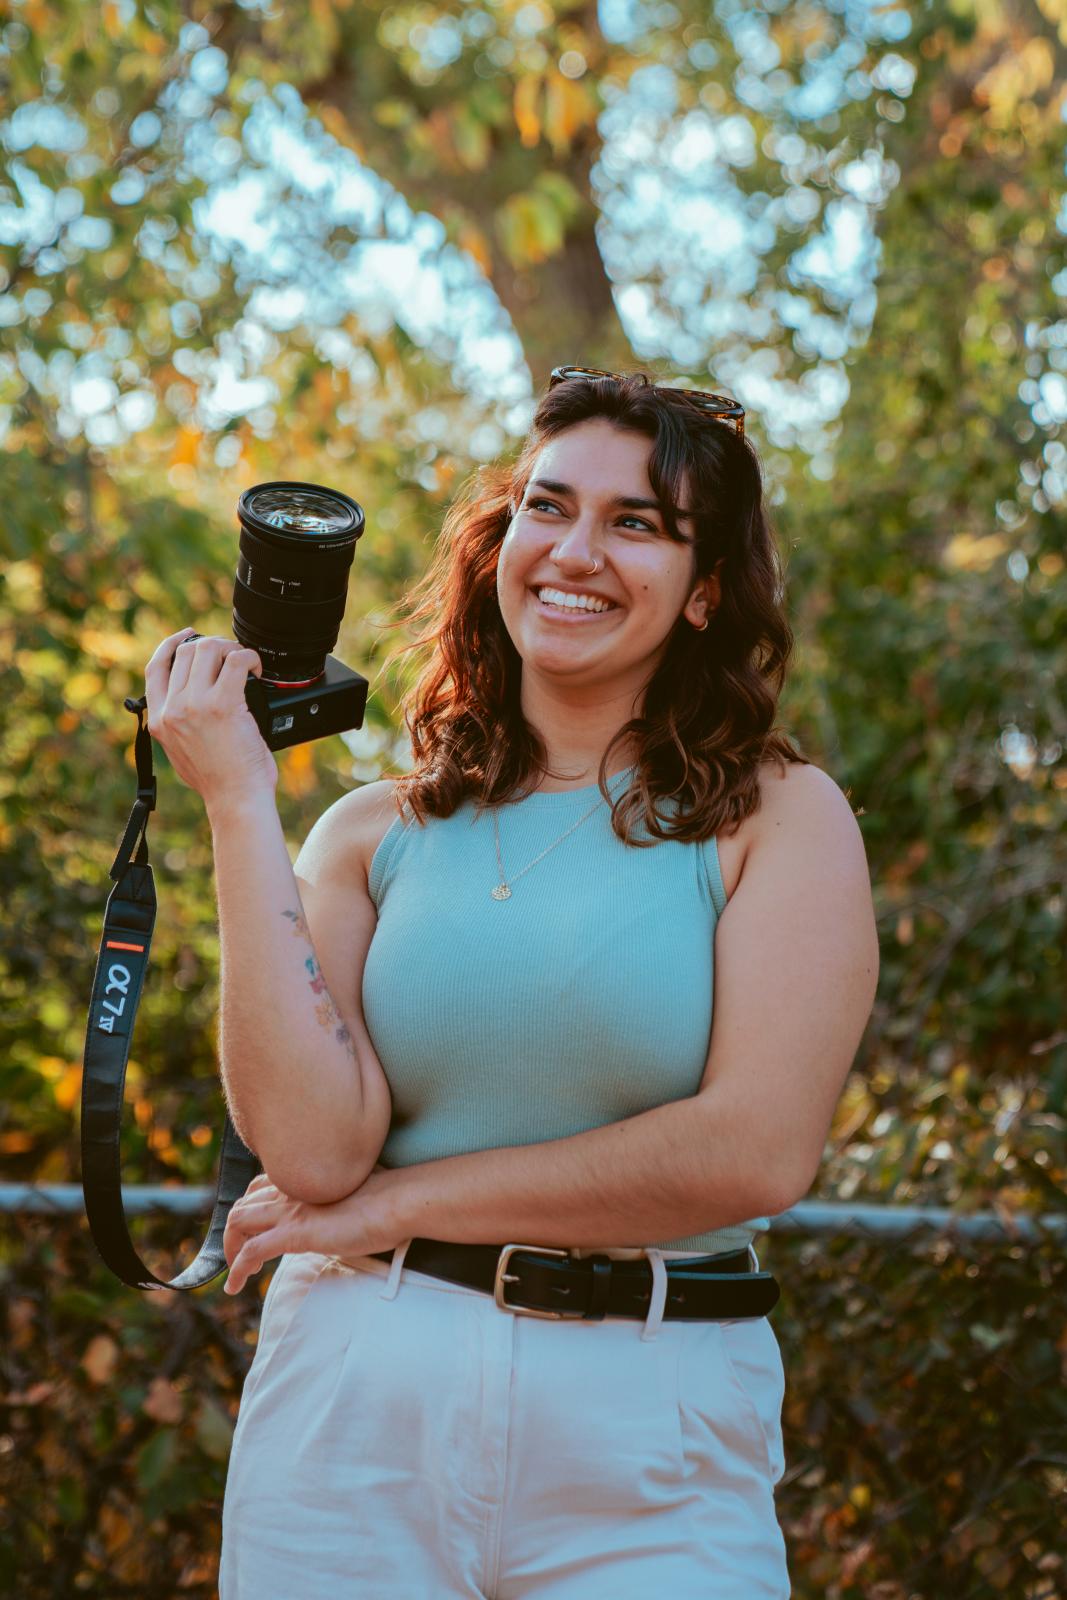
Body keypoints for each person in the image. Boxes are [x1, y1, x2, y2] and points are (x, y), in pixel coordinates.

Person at [144, 367, 879, 1597]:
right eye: (549, 506)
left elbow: (752, 1153)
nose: (574, 551)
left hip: (651, 1424)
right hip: (353, 1407)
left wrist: (394, 1206)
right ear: (502, 543)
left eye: (635, 522)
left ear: (704, 591)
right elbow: (314, 1154)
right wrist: (236, 802)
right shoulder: (369, 833)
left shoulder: (778, 818)